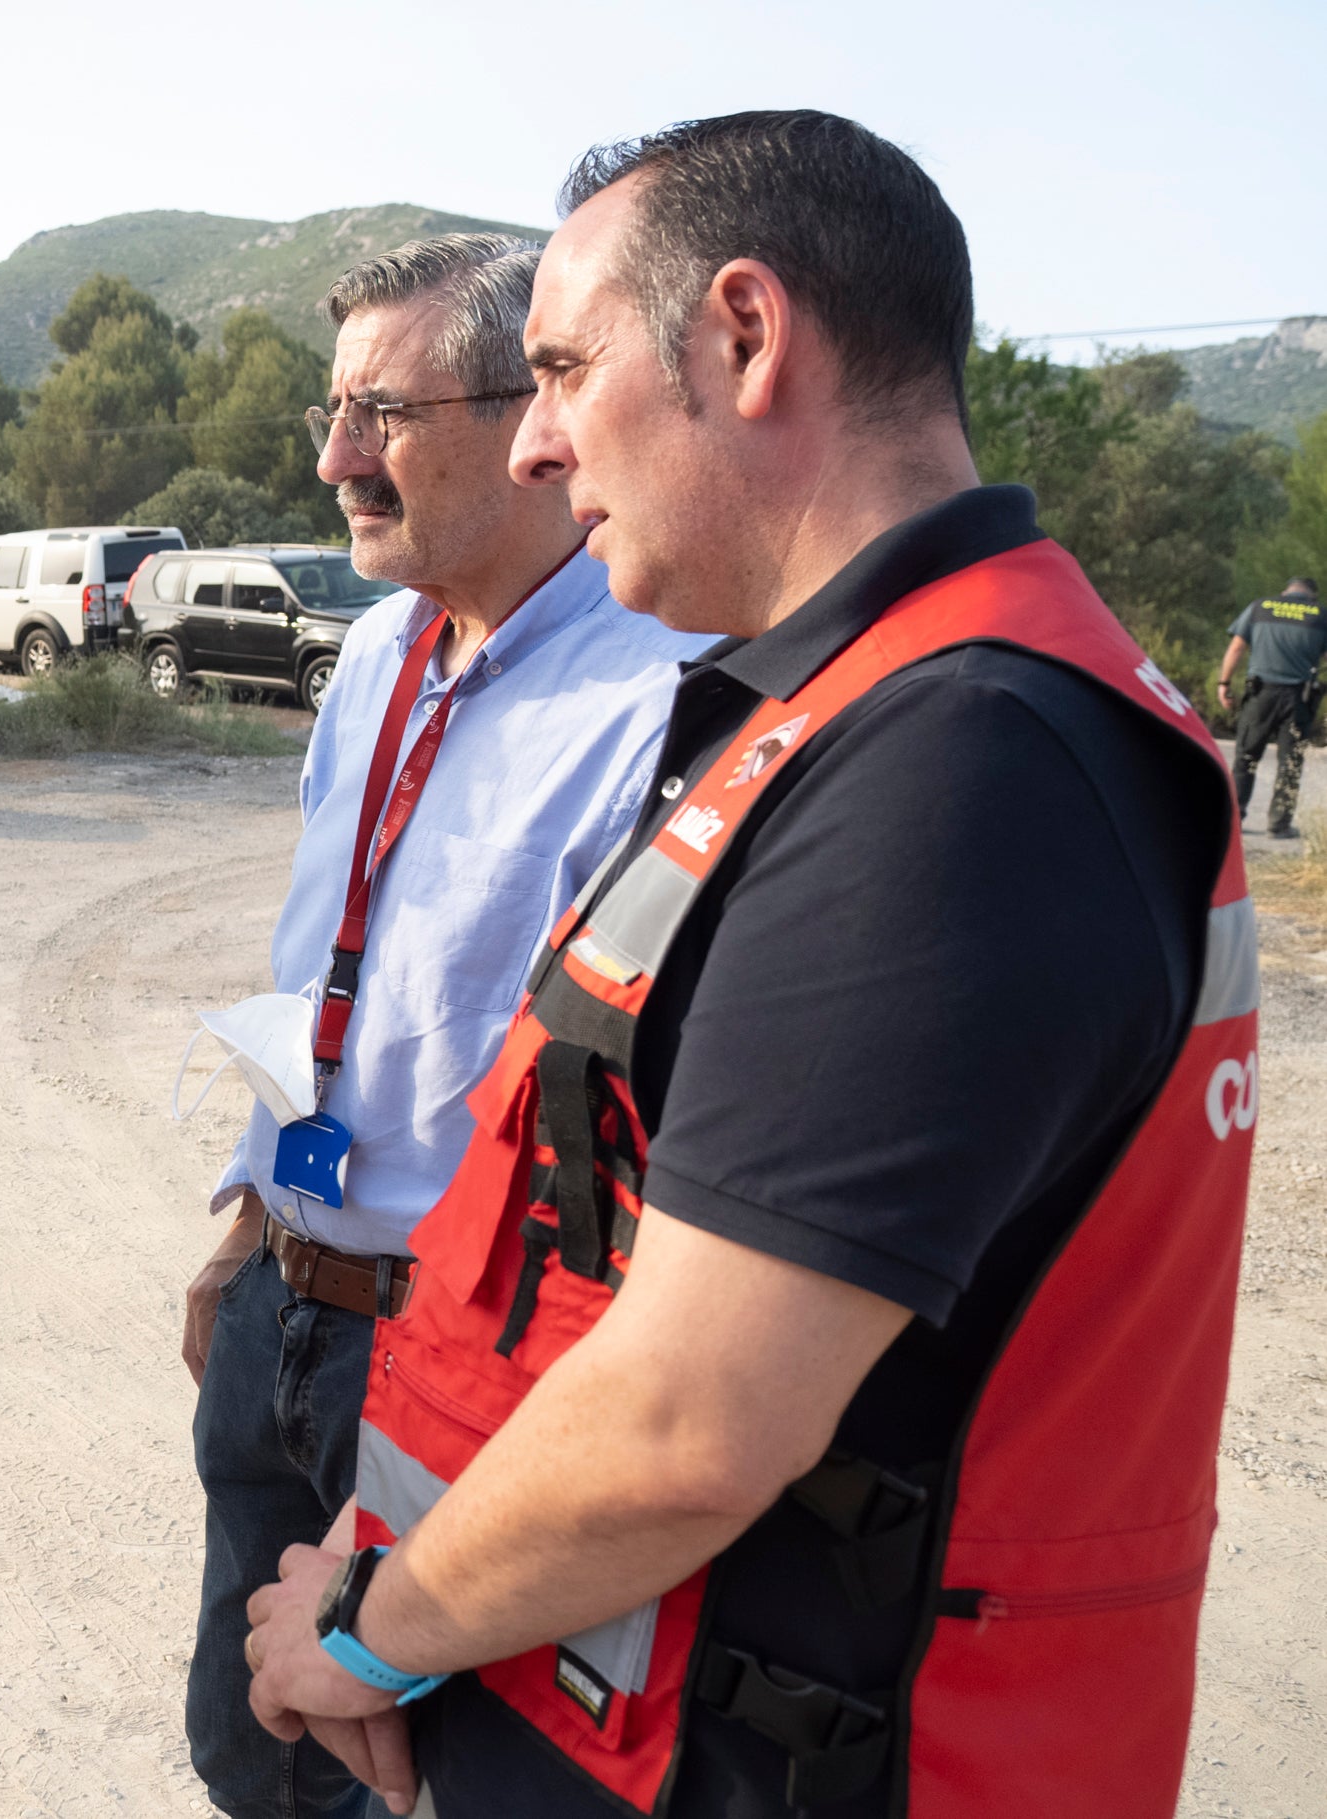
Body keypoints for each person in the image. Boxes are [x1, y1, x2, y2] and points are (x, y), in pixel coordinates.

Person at [243, 110, 1251, 1819]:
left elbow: (689, 1416)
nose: (541, 445)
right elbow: (587, 1236)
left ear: (742, 334)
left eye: (560, 370)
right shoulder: (834, 709)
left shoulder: (964, 763)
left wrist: (360, 1630)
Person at [177, 235, 703, 1819]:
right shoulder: (372, 655)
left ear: (531, 412)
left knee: (426, 1773)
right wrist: (245, 1212)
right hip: (281, 1300)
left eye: (379, 413)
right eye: (329, 411)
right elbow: (330, 972)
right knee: (247, 1749)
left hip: (460, 1352)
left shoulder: (658, 694)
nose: (333, 458)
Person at [1216, 574, 1323, 837]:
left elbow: (1236, 648)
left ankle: (1234, 819)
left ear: (1285, 592)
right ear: (1312, 596)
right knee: (1290, 763)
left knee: (1246, 758)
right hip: (1299, 698)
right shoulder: (1321, 615)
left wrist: (1224, 683)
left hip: (1260, 695)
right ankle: (1279, 825)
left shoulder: (1260, 607)